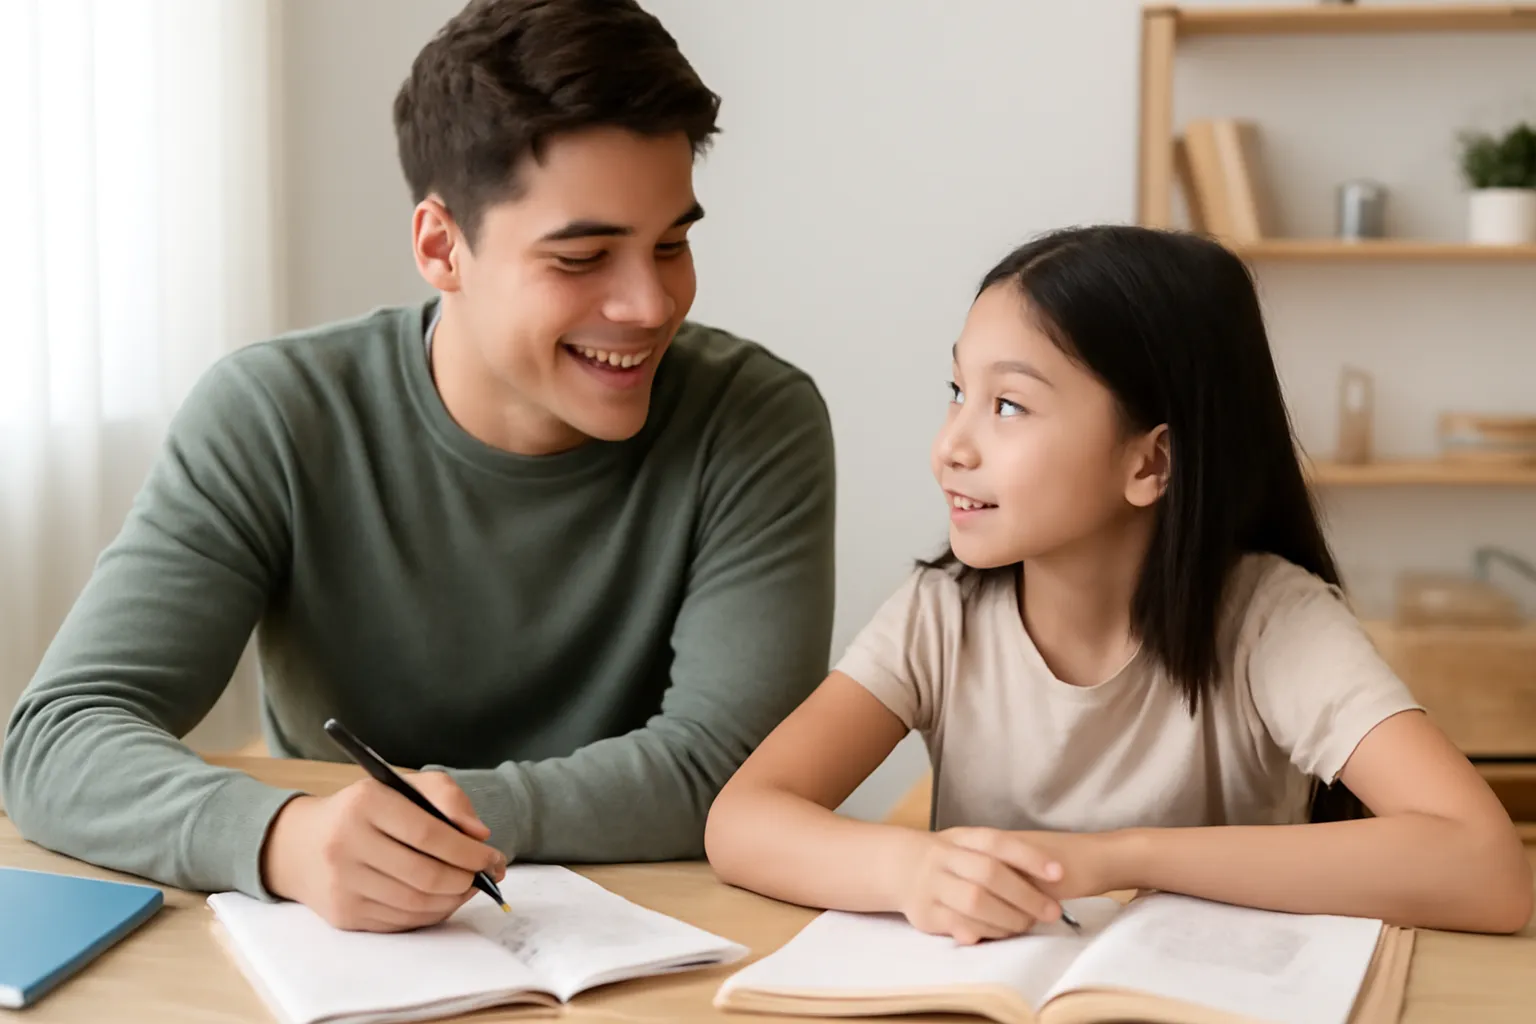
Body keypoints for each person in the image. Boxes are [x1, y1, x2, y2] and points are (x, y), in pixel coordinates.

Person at [1, 0, 836, 934]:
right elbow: (57, 737)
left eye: (672, 245)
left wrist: (426, 823)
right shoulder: (275, 416)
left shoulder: (756, 421)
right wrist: (285, 836)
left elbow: (730, 771)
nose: (649, 303)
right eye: (585, 256)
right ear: (442, 245)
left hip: (651, 947)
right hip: (336, 948)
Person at [705, 224, 1533, 940]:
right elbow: (743, 820)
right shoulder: (938, 615)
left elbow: (1485, 867)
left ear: (1151, 461)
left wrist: (1119, 856)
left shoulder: (1269, 620)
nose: (951, 445)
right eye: (958, 391)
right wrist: (907, 871)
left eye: (1009, 406)